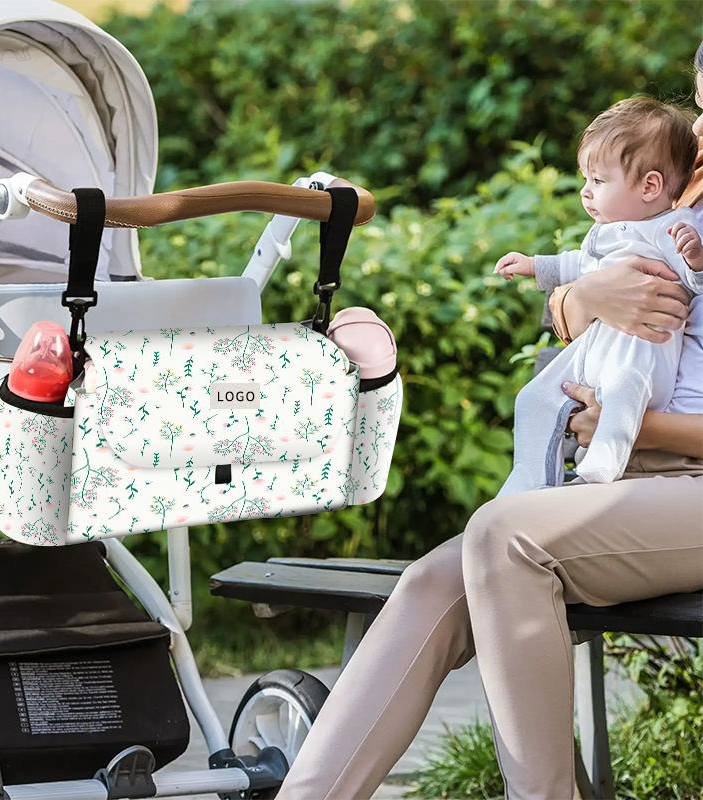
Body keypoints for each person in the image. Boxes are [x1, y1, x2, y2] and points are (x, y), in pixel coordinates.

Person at [274, 43, 703, 800]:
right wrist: (585, 296)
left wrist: (642, 430)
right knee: (432, 583)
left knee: (503, 537)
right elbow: (586, 309)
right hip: (622, 476)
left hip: (682, 477)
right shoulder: (679, 184)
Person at [493, 97, 701, 494]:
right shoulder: (608, 230)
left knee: (622, 387)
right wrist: (535, 265)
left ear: (650, 186)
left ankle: (604, 462)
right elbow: (579, 264)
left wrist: (695, 260)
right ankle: (529, 478)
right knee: (534, 398)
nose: (585, 192)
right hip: (599, 347)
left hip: (642, 352)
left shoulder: (673, 226)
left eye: (598, 182)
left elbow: (695, 281)